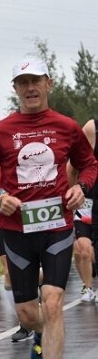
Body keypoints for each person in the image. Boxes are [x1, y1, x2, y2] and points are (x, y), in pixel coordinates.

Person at [0, 57, 98, 359]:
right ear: (15, 88)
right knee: (29, 313)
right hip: (16, 231)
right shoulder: (0, 130)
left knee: (54, 302)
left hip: (57, 227)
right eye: (22, 82)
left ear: (49, 84)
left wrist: (82, 189)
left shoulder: (67, 127)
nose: (30, 88)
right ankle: (39, 334)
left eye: (36, 81)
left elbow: (89, 164)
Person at [70, 118, 98, 302]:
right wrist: (74, 192)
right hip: (87, 199)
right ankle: (88, 288)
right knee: (84, 248)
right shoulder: (92, 127)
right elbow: (72, 167)